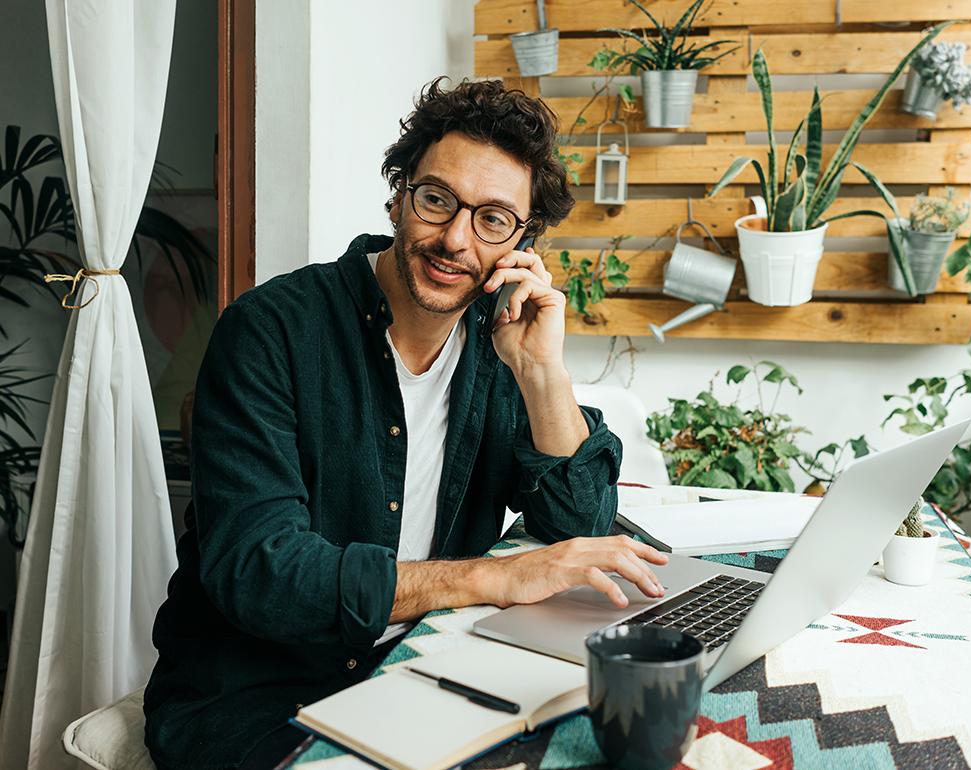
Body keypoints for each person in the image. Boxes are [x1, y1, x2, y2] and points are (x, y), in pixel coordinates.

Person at [143, 77, 669, 770]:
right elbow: (260, 572)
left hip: (425, 666)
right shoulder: (269, 332)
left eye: (491, 219)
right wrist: (487, 579)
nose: (454, 238)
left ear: (520, 240)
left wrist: (541, 374)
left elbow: (578, 527)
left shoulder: (497, 338)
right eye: (436, 200)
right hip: (256, 695)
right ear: (399, 194)